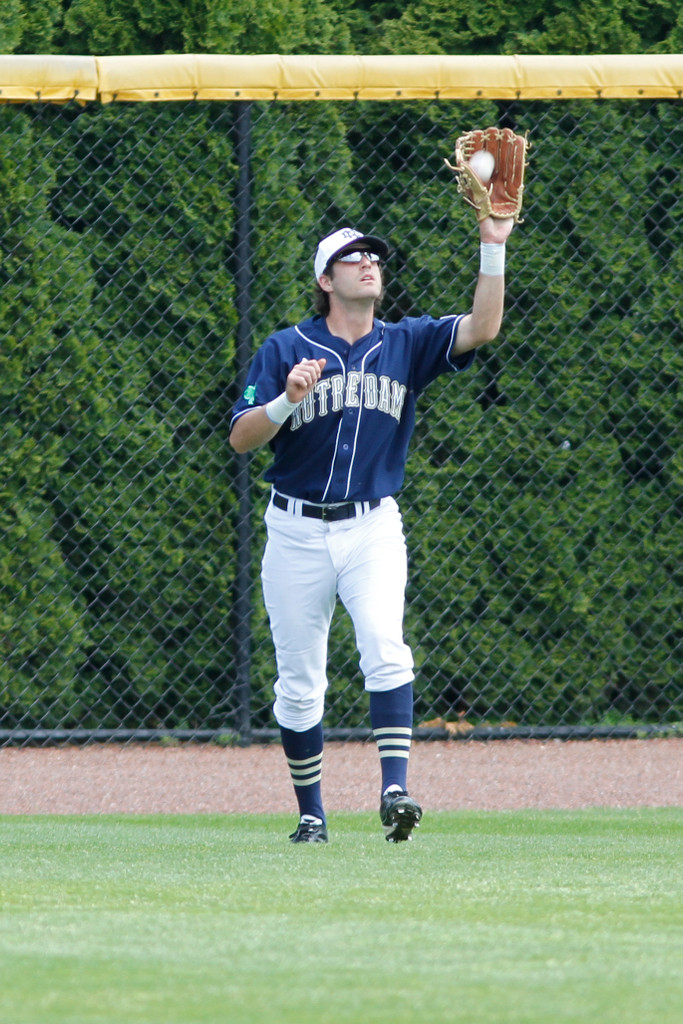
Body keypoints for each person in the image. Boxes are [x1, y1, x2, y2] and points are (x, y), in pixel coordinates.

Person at [229, 214, 515, 843]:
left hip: (372, 527)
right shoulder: (285, 348)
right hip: (296, 531)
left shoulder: (405, 342)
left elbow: (483, 327)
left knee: (386, 646)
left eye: (375, 258)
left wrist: (491, 248)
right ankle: (311, 813)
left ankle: (395, 789)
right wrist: (285, 402)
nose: (369, 264)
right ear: (326, 280)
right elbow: (241, 436)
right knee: (299, 683)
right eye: (354, 258)